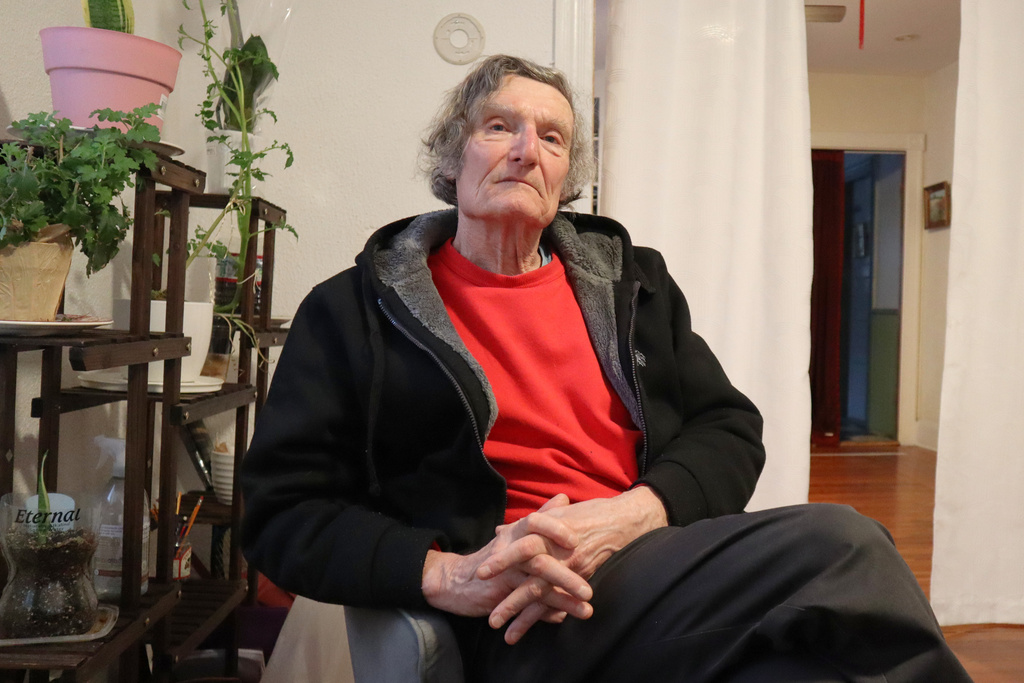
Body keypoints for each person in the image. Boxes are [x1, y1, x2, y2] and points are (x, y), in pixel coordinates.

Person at [241, 55, 972, 682]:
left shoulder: (632, 285)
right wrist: (448, 572)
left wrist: (630, 516)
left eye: (552, 136)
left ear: (567, 176)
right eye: (500, 126)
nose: (527, 149)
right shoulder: (356, 310)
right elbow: (280, 512)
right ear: (450, 155)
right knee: (843, 544)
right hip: (514, 615)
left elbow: (730, 426)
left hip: (650, 569)